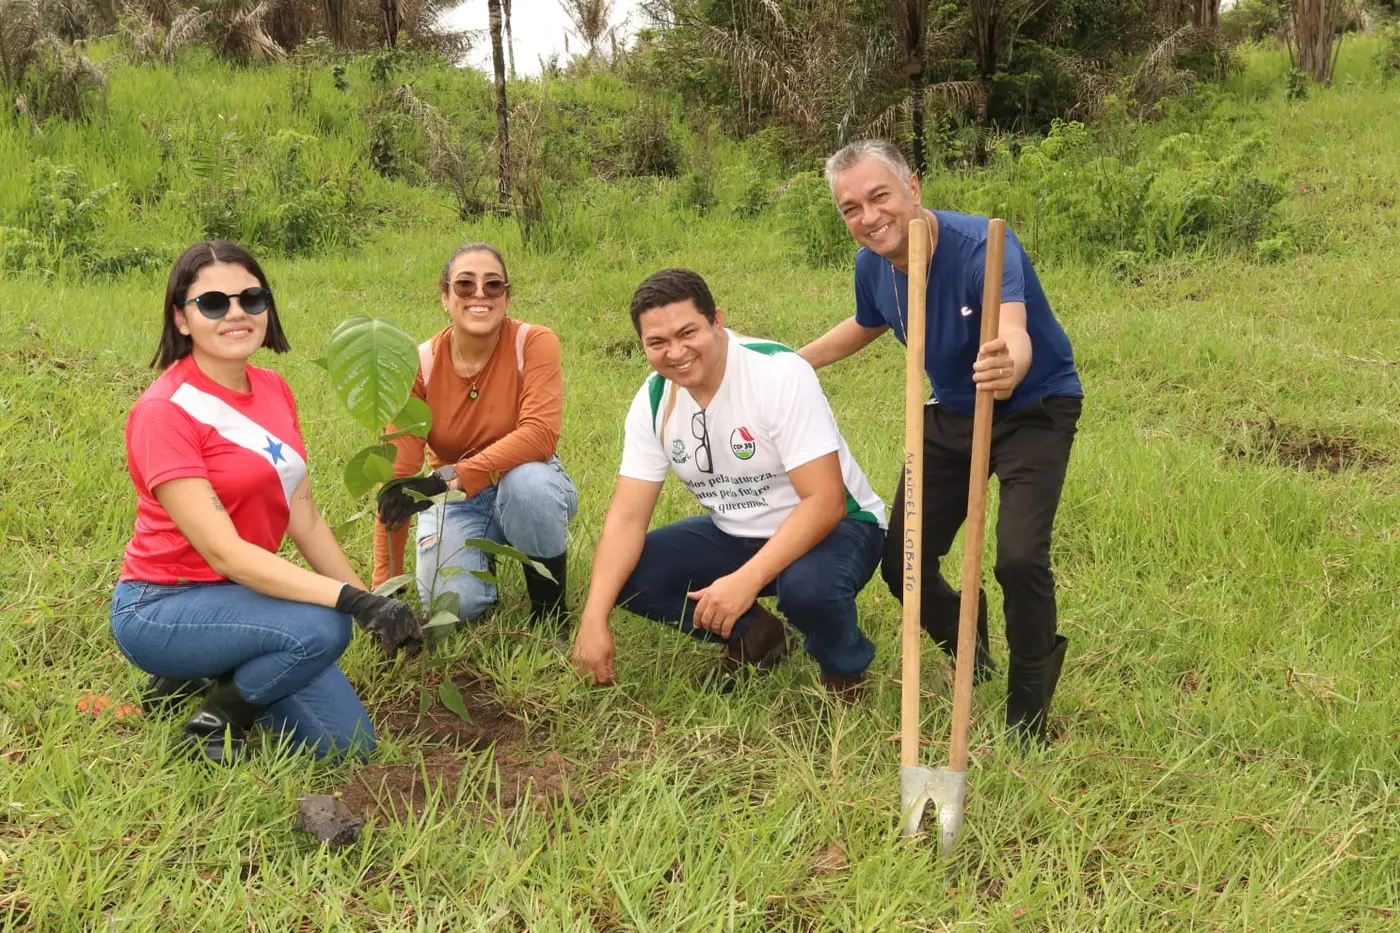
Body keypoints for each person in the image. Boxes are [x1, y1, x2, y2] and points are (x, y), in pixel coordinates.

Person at [800, 139, 1084, 744]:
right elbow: (865, 323)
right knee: (900, 559)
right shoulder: (871, 266)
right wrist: (792, 364)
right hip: (952, 410)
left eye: (880, 196)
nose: (870, 217)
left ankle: (1029, 714)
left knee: (1018, 556)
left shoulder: (986, 245)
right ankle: (966, 634)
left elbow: (1013, 327)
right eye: (851, 208)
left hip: (1034, 408)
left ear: (914, 188)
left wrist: (1007, 361)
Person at [110, 241, 424, 766]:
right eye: (213, 303)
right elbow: (226, 556)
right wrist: (352, 603)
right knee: (323, 625)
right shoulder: (164, 413)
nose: (236, 313)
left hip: (243, 601)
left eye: (251, 298)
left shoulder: (274, 388)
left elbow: (304, 515)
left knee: (344, 746)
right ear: (181, 319)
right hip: (163, 606)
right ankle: (211, 723)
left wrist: (375, 605)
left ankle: (217, 667)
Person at [570, 268, 887, 701]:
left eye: (688, 332)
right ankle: (756, 635)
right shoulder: (654, 399)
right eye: (657, 343)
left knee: (807, 590)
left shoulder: (777, 373)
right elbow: (626, 518)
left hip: (838, 527)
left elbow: (826, 501)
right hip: (735, 530)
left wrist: (745, 581)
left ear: (717, 320)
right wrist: (593, 618)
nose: (676, 353)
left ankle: (843, 671)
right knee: (627, 576)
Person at [372, 243, 577, 638]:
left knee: (529, 486)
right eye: (465, 285)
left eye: (493, 285)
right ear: (446, 297)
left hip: (520, 479)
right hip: (454, 500)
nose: (479, 294)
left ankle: (550, 613)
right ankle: (482, 557)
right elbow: (396, 484)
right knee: (452, 609)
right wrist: (384, 592)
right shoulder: (419, 365)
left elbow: (540, 435)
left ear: (507, 297)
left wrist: (450, 476)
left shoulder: (533, 343)